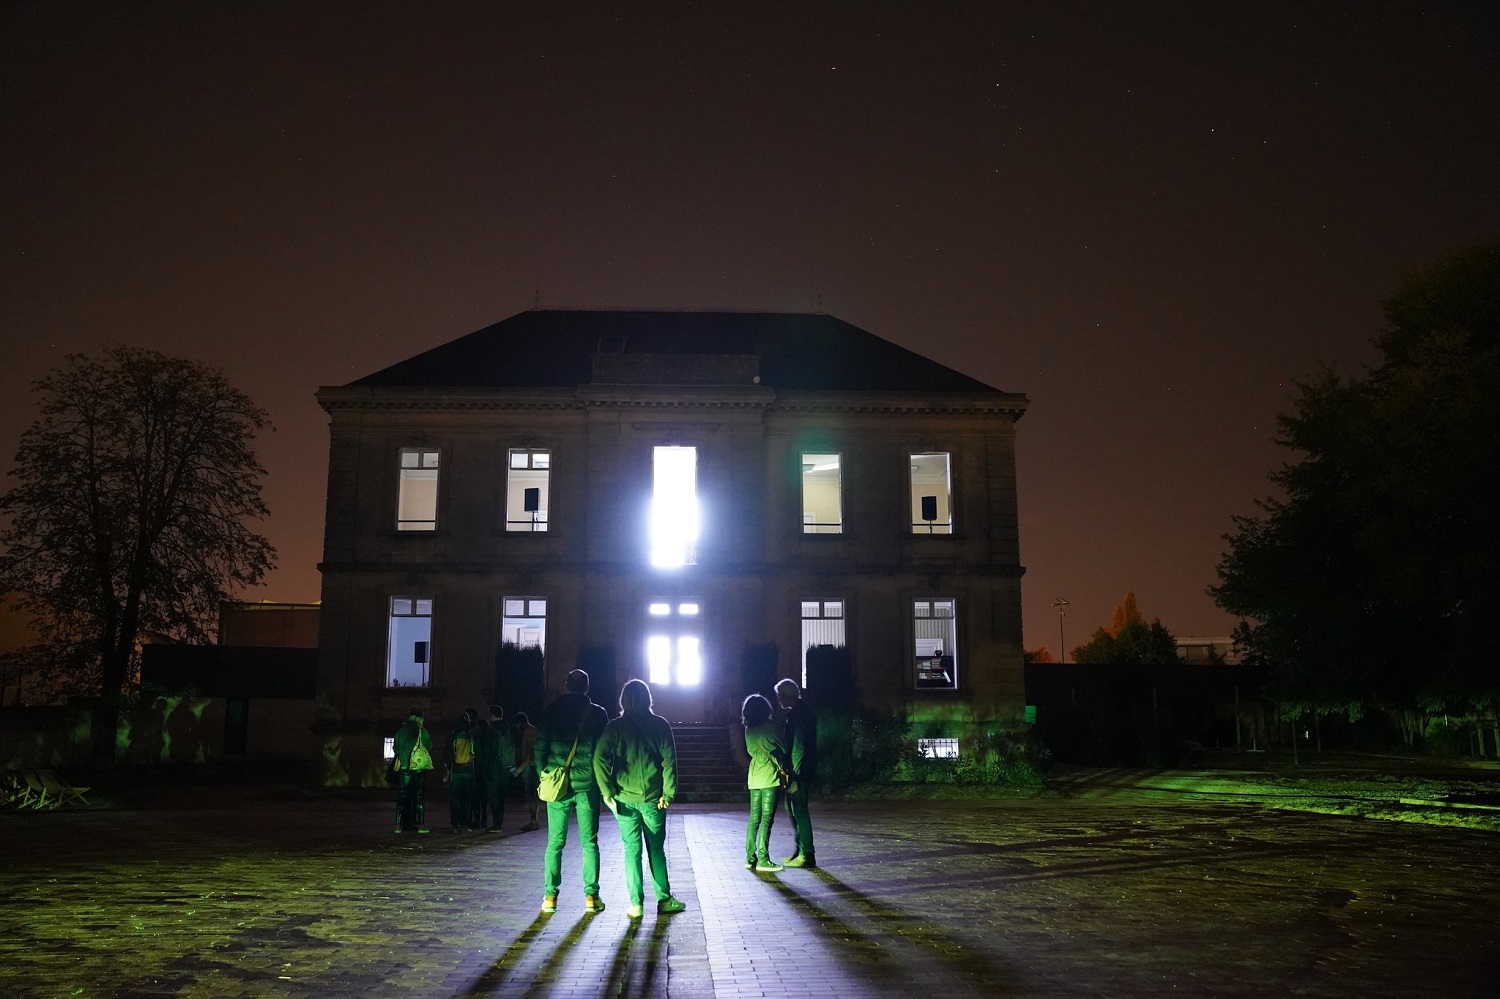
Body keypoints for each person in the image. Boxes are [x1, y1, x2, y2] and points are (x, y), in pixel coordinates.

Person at [594, 679, 688, 919]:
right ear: (648, 699)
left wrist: (607, 790)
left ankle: (636, 903)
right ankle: (664, 898)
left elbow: (599, 758)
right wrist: (668, 793)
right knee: (656, 850)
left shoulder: (615, 727)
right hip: (653, 798)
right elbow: (669, 762)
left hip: (623, 798)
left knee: (631, 851)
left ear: (624, 700)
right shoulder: (660, 725)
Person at [535, 669, 609, 913]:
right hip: (587, 785)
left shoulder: (551, 711)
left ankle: (550, 897)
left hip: (558, 784)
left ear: (566, 685)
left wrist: (544, 774)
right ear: (587, 687)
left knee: (554, 843)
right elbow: (603, 752)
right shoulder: (598, 714)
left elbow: (540, 747)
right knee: (589, 843)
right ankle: (591, 897)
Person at [742, 693, 790, 873]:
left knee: (754, 819)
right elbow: (784, 747)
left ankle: (750, 857)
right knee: (767, 819)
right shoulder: (771, 727)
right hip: (770, 777)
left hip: (754, 778)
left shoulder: (748, 729)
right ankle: (763, 858)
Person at [775, 678, 818, 868]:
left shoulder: (799, 715)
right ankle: (801, 852)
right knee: (795, 810)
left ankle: (806, 853)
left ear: (785, 696)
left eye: (779, 696)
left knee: (799, 811)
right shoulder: (801, 712)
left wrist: (795, 776)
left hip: (798, 773)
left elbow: (799, 746)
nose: (778, 700)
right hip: (798, 771)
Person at [391, 707, 434, 834]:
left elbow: (395, 749)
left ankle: (398, 826)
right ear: (420, 717)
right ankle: (420, 825)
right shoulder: (421, 730)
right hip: (418, 769)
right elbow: (429, 745)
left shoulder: (400, 730)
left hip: (404, 768)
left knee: (402, 796)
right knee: (419, 796)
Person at [475, 705, 513, 832]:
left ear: (491, 714)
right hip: (506, 766)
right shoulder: (508, 727)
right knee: (502, 795)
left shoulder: (489, 730)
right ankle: (499, 821)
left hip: (493, 766)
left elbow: (485, 750)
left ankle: (496, 824)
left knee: (494, 795)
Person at [446, 709, 479, 833]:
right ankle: (465, 824)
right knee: (466, 799)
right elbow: (475, 754)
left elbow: (447, 754)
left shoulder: (453, 735)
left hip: (456, 771)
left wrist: (448, 770)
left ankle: (455, 825)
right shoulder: (470, 735)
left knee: (455, 799)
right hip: (468, 770)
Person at [512, 711, 541, 831]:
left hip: (530, 768)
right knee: (534, 796)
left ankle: (534, 821)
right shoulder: (535, 731)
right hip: (535, 767)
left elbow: (530, 754)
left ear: (520, 724)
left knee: (531, 796)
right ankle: (534, 821)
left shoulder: (529, 733)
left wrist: (519, 769)